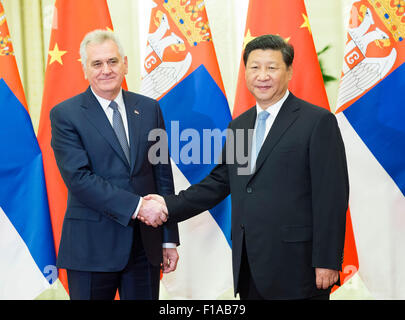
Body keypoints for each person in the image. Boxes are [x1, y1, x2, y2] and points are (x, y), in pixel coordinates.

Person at [142, 34, 349, 300]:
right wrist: (167, 206)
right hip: (250, 266)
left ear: (289, 72)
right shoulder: (239, 126)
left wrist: (328, 260)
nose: (262, 75)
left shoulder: (317, 122)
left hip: (299, 267)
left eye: (272, 67)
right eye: (255, 67)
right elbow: (219, 182)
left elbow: (331, 197)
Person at [50, 30, 179, 300]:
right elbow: (79, 179)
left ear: (125, 64)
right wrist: (138, 206)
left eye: (112, 61)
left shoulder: (149, 108)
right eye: (97, 64)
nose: (106, 70)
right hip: (90, 250)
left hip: (145, 247)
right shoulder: (65, 114)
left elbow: (162, 175)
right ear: (85, 69)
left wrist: (168, 238)